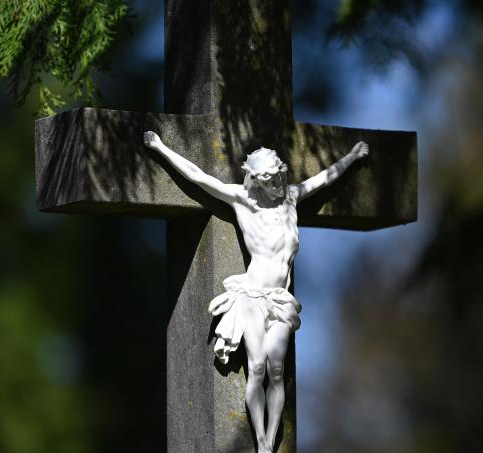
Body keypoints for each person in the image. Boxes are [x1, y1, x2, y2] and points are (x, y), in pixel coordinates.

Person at [143, 131, 368, 453]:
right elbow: (198, 176)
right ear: (255, 179)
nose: (275, 182)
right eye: (267, 178)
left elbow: (323, 179)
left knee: (276, 370)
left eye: (278, 175)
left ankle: (269, 442)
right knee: (258, 367)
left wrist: (352, 157)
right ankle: (261, 439)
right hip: (251, 295)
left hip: (280, 300)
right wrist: (161, 148)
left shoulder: (291, 198)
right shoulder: (241, 201)